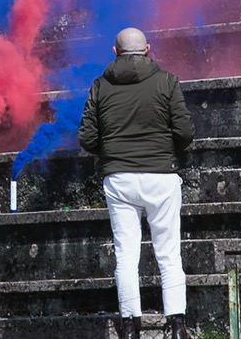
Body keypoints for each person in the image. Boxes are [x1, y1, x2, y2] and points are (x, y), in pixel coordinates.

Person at [78, 27, 195, 339]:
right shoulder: (167, 81)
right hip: (161, 176)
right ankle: (177, 325)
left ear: (114, 53)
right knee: (169, 254)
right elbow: (184, 133)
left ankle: (130, 325)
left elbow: (87, 137)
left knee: (126, 255)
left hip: (119, 179)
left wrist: (114, 153)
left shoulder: (100, 86)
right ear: (147, 50)